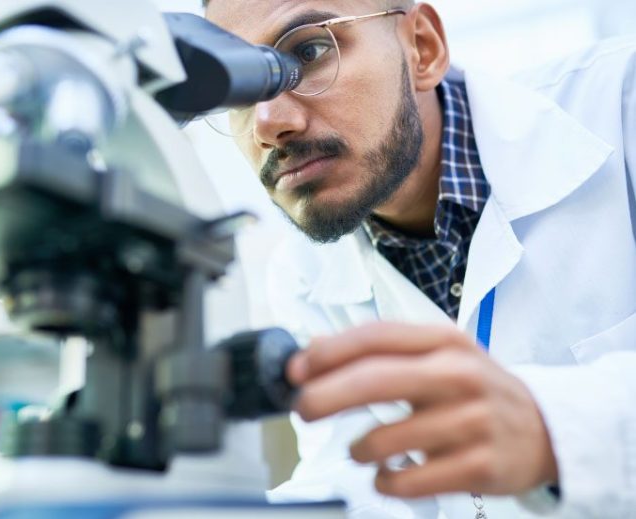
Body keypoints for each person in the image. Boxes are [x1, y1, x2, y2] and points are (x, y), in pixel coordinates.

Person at [203, 0, 636, 518]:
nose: (269, 124)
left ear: (422, 48)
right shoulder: (302, 276)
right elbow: (355, 486)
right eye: (238, 88)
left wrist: (556, 428)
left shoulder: (620, 106)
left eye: (310, 52)